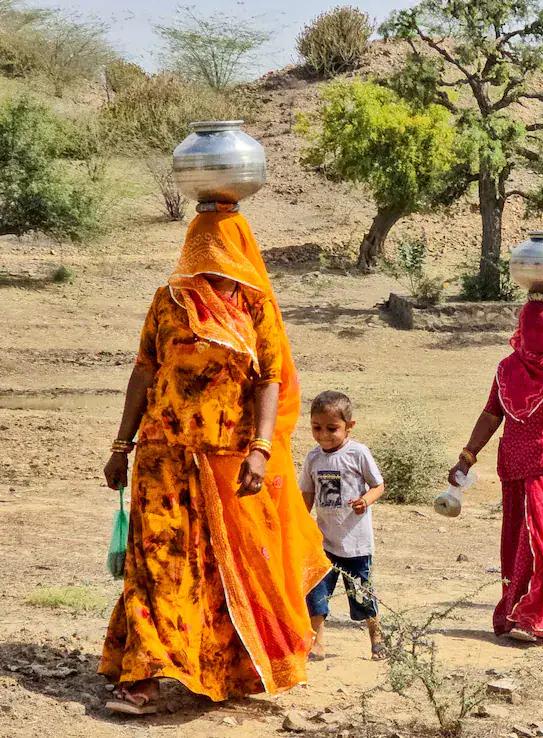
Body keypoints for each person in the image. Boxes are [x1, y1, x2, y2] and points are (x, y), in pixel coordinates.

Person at [99, 205, 328, 714]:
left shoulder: (254, 306)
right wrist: (121, 445)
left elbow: (269, 378)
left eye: (221, 245)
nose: (211, 257)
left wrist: (261, 449)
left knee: (225, 569)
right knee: (156, 565)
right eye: (203, 244)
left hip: (227, 462)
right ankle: (143, 676)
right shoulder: (168, 302)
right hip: (160, 456)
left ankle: (227, 668)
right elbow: (143, 371)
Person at [449, 284, 543, 642]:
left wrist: (468, 455)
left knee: (536, 540)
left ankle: (536, 615)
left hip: (542, 467)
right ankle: (523, 612)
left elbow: (488, 417)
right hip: (531, 467)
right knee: (525, 543)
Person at [301, 391, 386, 661]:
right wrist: (301, 522)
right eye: (317, 428)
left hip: (356, 543)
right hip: (324, 542)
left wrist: (365, 500)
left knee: (362, 594)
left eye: (332, 428)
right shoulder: (313, 458)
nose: (324, 434)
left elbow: (378, 485)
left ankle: (377, 638)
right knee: (316, 593)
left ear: (349, 426)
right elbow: (307, 494)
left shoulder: (357, 453)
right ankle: (318, 644)